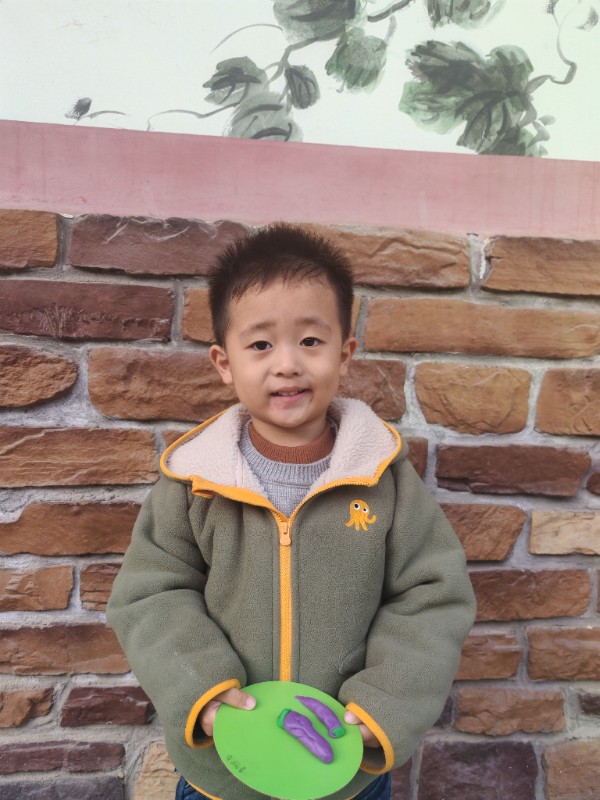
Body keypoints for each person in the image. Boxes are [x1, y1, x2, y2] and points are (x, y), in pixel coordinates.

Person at [107, 223, 476, 800]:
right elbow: (151, 594)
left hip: (344, 770)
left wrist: (383, 704)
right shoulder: (194, 482)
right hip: (223, 771)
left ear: (345, 354)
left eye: (309, 341)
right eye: (260, 345)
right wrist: (201, 689)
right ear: (224, 362)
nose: (286, 364)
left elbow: (433, 598)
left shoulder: (385, 480)